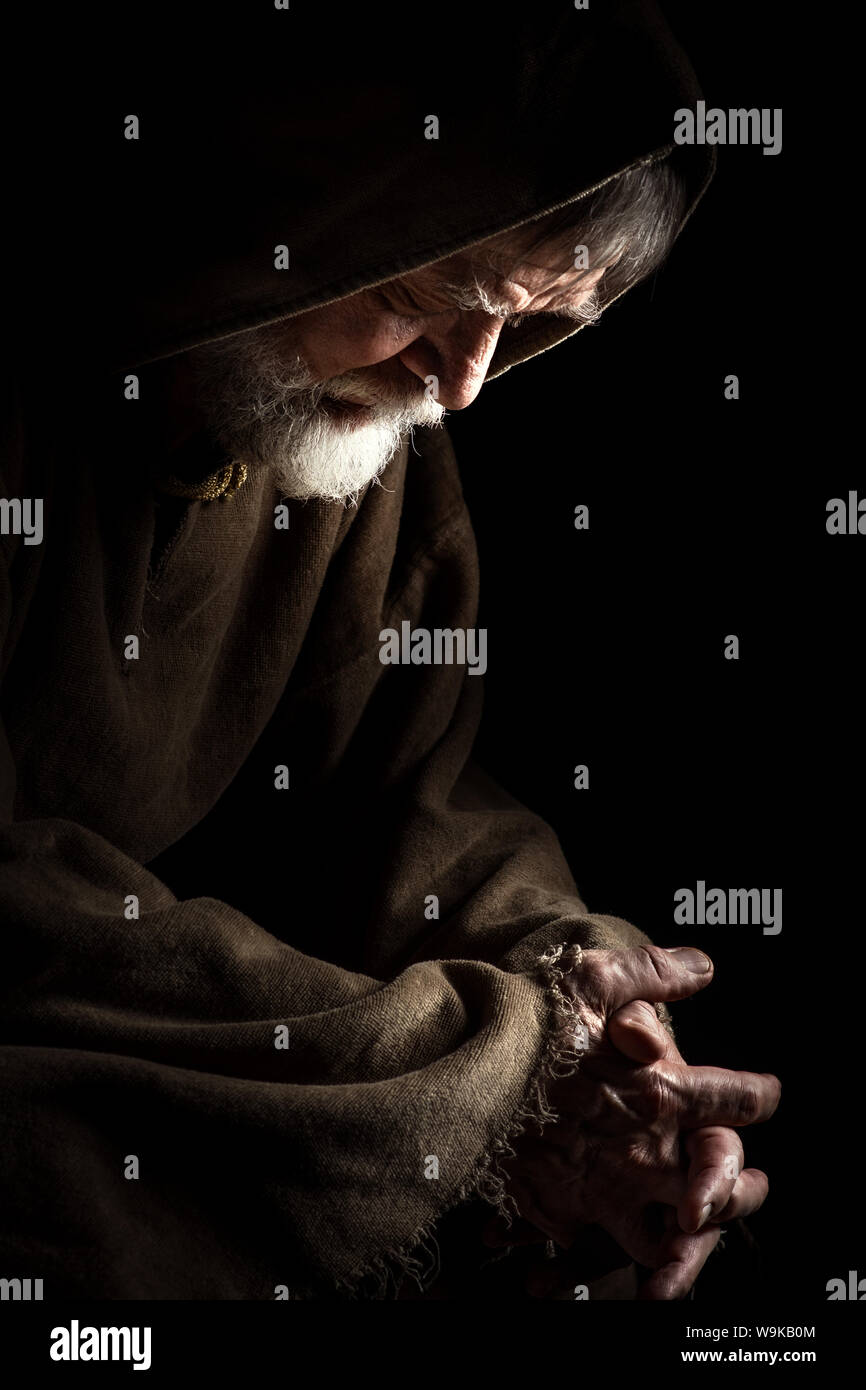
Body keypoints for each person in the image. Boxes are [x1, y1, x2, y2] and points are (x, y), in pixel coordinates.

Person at [0, 5, 779, 1299]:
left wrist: (577, 990)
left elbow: (408, 793)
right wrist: (487, 1071)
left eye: (527, 326)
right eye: (419, 297)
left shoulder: (369, 442)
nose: (461, 383)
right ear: (280, 223)